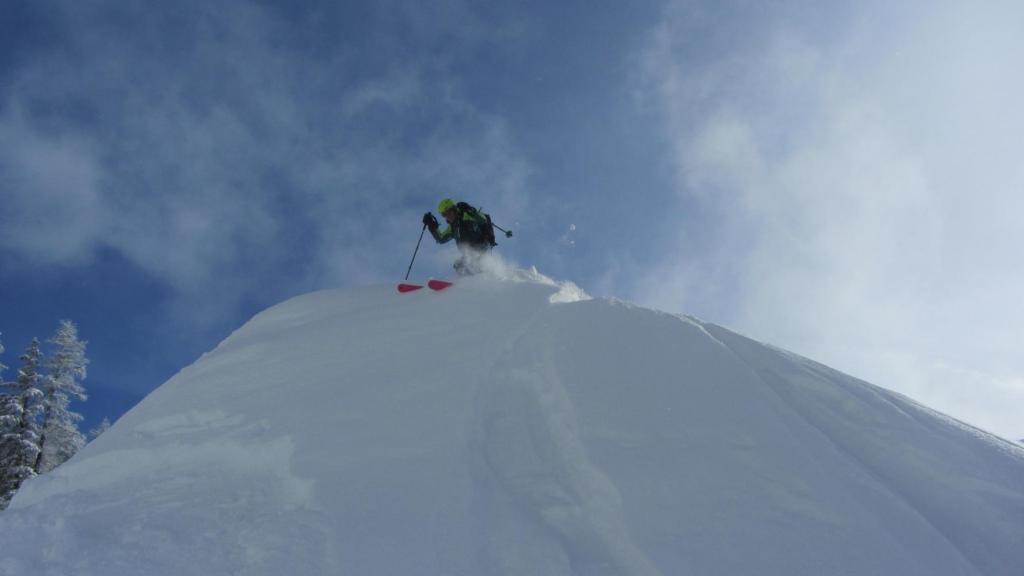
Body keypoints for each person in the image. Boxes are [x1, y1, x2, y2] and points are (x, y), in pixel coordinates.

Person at [422, 198, 497, 275]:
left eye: (448, 213)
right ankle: (464, 284)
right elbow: (441, 239)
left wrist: (470, 210)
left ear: (454, 209)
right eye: (444, 215)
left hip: (482, 248)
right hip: (469, 255)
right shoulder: (452, 227)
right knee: (459, 266)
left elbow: (483, 220)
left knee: (477, 265)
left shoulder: (467, 216)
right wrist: (431, 226)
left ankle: (486, 278)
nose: (447, 216)